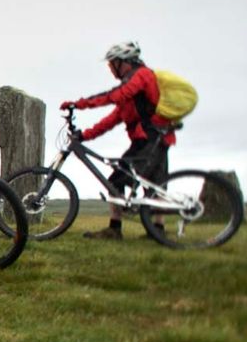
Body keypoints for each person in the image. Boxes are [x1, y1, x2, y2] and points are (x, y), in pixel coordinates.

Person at [60, 41, 176, 240]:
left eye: (112, 63)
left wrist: (79, 104)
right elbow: (110, 120)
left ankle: (116, 229)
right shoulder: (133, 94)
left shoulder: (141, 75)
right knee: (154, 183)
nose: (110, 68)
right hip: (153, 138)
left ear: (124, 62)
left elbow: (116, 95)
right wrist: (84, 136)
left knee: (120, 181)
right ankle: (156, 230)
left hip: (151, 139)